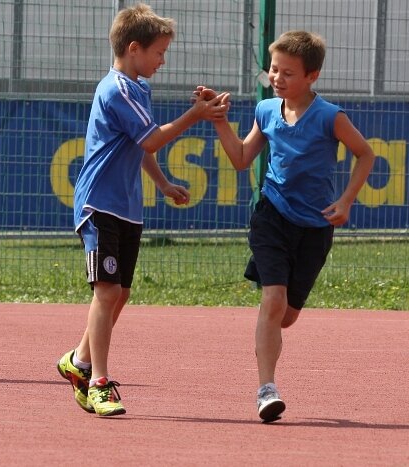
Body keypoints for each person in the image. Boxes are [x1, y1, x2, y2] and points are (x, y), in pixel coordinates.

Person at [56, 3, 228, 416]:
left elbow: (141, 145)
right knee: (107, 290)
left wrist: (163, 183)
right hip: (99, 203)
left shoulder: (139, 89)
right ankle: (98, 383)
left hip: (127, 207)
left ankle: (77, 360)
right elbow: (151, 139)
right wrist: (196, 114)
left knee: (121, 292)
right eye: (158, 52)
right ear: (134, 49)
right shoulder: (115, 89)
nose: (162, 61)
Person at [209, 30, 374, 422]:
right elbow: (241, 158)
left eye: (288, 73)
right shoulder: (266, 110)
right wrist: (219, 121)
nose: (277, 78)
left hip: (315, 226)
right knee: (273, 300)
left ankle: (269, 324)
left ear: (312, 76)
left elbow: (365, 154)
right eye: (273, 70)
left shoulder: (330, 117)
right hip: (271, 216)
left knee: (287, 315)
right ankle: (266, 389)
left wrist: (346, 200)